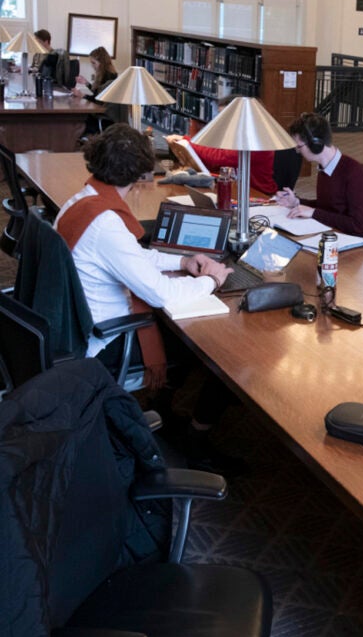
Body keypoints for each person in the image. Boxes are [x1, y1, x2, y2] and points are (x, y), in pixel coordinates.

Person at [54, 123, 238, 469]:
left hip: (77, 327)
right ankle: (194, 439)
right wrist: (212, 281)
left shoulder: (82, 201)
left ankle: (161, 410)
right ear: (140, 173)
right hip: (105, 342)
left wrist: (184, 261)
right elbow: (160, 293)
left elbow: (133, 257)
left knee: (180, 333)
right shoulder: (107, 222)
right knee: (207, 349)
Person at [168, 96, 301, 197]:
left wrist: (186, 141)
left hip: (258, 194)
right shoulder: (236, 134)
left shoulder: (256, 142)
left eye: (225, 116)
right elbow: (214, 160)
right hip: (238, 189)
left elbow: (218, 157)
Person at [274, 112, 363, 238]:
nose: (297, 151)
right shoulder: (324, 168)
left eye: (299, 146)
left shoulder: (354, 173)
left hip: (349, 242)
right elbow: (327, 206)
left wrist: (314, 213)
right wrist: (297, 202)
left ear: (316, 144)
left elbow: (359, 226)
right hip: (329, 233)